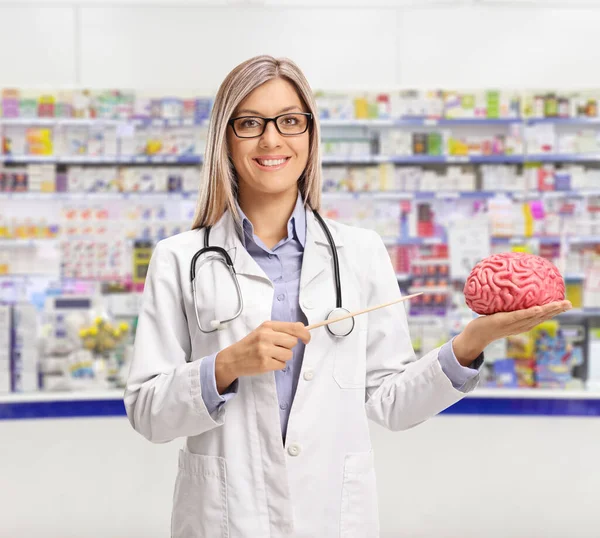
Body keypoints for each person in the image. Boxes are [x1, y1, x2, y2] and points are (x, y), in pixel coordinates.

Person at [124, 55, 572, 538]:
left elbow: (391, 402)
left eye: (290, 121)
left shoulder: (359, 252)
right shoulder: (179, 258)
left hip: (331, 516)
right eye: (250, 123)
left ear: (311, 135)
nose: (272, 139)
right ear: (225, 139)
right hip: (226, 518)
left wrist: (471, 342)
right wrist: (225, 365)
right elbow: (148, 412)